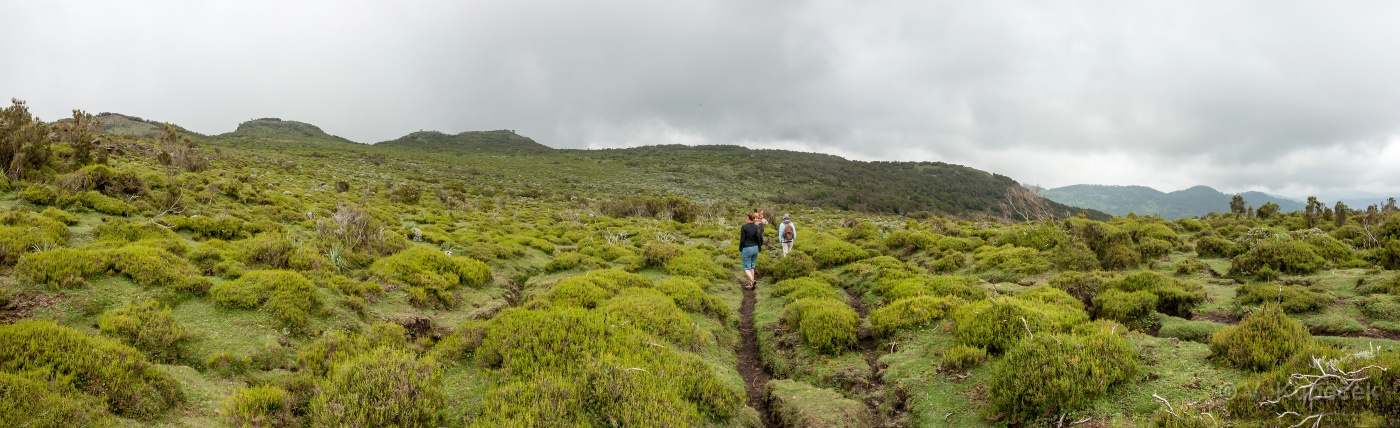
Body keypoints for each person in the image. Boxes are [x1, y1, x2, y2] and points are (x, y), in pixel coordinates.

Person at [739, 212, 763, 289]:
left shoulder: (744, 227)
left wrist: (740, 249)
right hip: (755, 248)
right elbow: (761, 239)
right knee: (752, 266)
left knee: (746, 267)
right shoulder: (757, 227)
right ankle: (751, 285)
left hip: (747, 248)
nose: (745, 219)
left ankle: (752, 280)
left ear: (748, 218)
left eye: (746, 218)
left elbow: (742, 240)